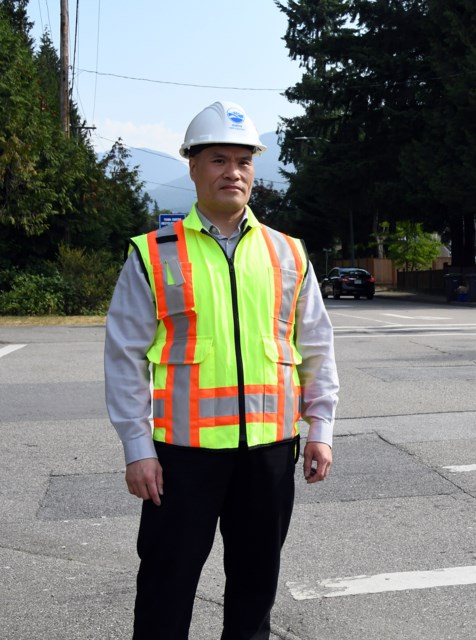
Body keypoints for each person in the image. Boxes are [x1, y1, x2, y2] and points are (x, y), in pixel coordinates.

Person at [104, 100, 339, 640]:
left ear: (254, 169)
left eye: (243, 160)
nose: (232, 171)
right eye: (217, 159)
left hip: (271, 451)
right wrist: (137, 449)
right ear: (192, 166)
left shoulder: (289, 254)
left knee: (256, 586)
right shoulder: (155, 254)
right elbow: (124, 359)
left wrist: (320, 430)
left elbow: (317, 348)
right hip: (181, 457)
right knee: (167, 582)